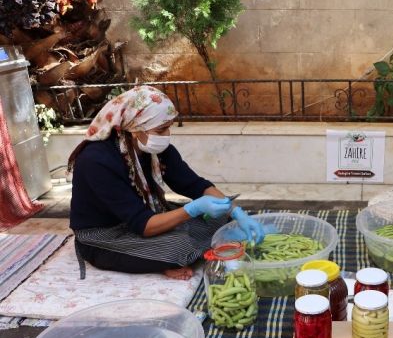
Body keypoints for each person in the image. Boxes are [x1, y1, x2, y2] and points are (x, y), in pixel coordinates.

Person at [68, 86, 264, 280]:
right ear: (135, 127)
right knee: (179, 247)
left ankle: (162, 256)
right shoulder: (96, 161)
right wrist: (191, 210)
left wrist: (236, 212)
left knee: (219, 219)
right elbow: (142, 224)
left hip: (144, 216)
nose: (167, 134)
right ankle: (162, 260)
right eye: (161, 129)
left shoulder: (155, 150)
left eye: (168, 126)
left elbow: (195, 185)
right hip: (105, 236)